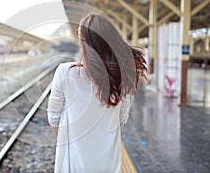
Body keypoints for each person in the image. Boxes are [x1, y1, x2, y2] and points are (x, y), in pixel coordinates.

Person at [47, 14, 147, 173]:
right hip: (108, 163)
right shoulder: (121, 75)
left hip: (73, 164)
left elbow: (54, 119)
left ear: (83, 41)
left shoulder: (65, 72)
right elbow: (121, 119)